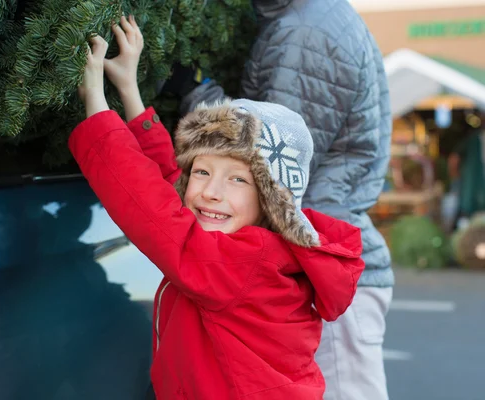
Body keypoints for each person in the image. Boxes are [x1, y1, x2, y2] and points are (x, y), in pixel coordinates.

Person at [71, 16, 364, 399]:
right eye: (203, 170)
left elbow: (150, 208)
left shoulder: (245, 262)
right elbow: (170, 180)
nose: (211, 191)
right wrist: (128, 91)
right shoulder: (262, 244)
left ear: (272, 200)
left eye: (238, 179)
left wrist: (95, 100)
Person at [173, 1, 394, 398]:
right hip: (323, 264)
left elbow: (274, 156)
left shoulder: (305, 33)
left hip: (321, 269)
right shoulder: (316, 17)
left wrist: (198, 93)